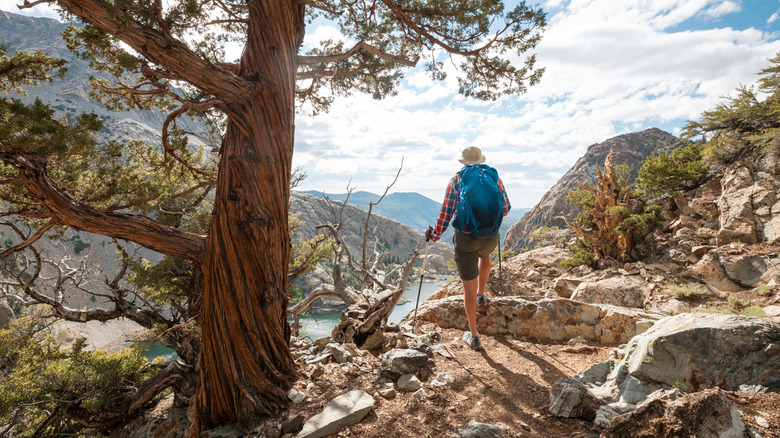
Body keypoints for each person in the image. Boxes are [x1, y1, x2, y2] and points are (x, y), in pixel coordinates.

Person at [426, 146, 510, 350]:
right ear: (480, 160)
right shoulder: (493, 176)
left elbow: (446, 214)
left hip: (466, 238)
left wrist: (434, 235)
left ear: (463, 162)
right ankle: (483, 293)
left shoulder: (457, 179)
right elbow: (505, 209)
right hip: (491, 236)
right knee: (485, 257)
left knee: (467, 288)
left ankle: (474, 335)